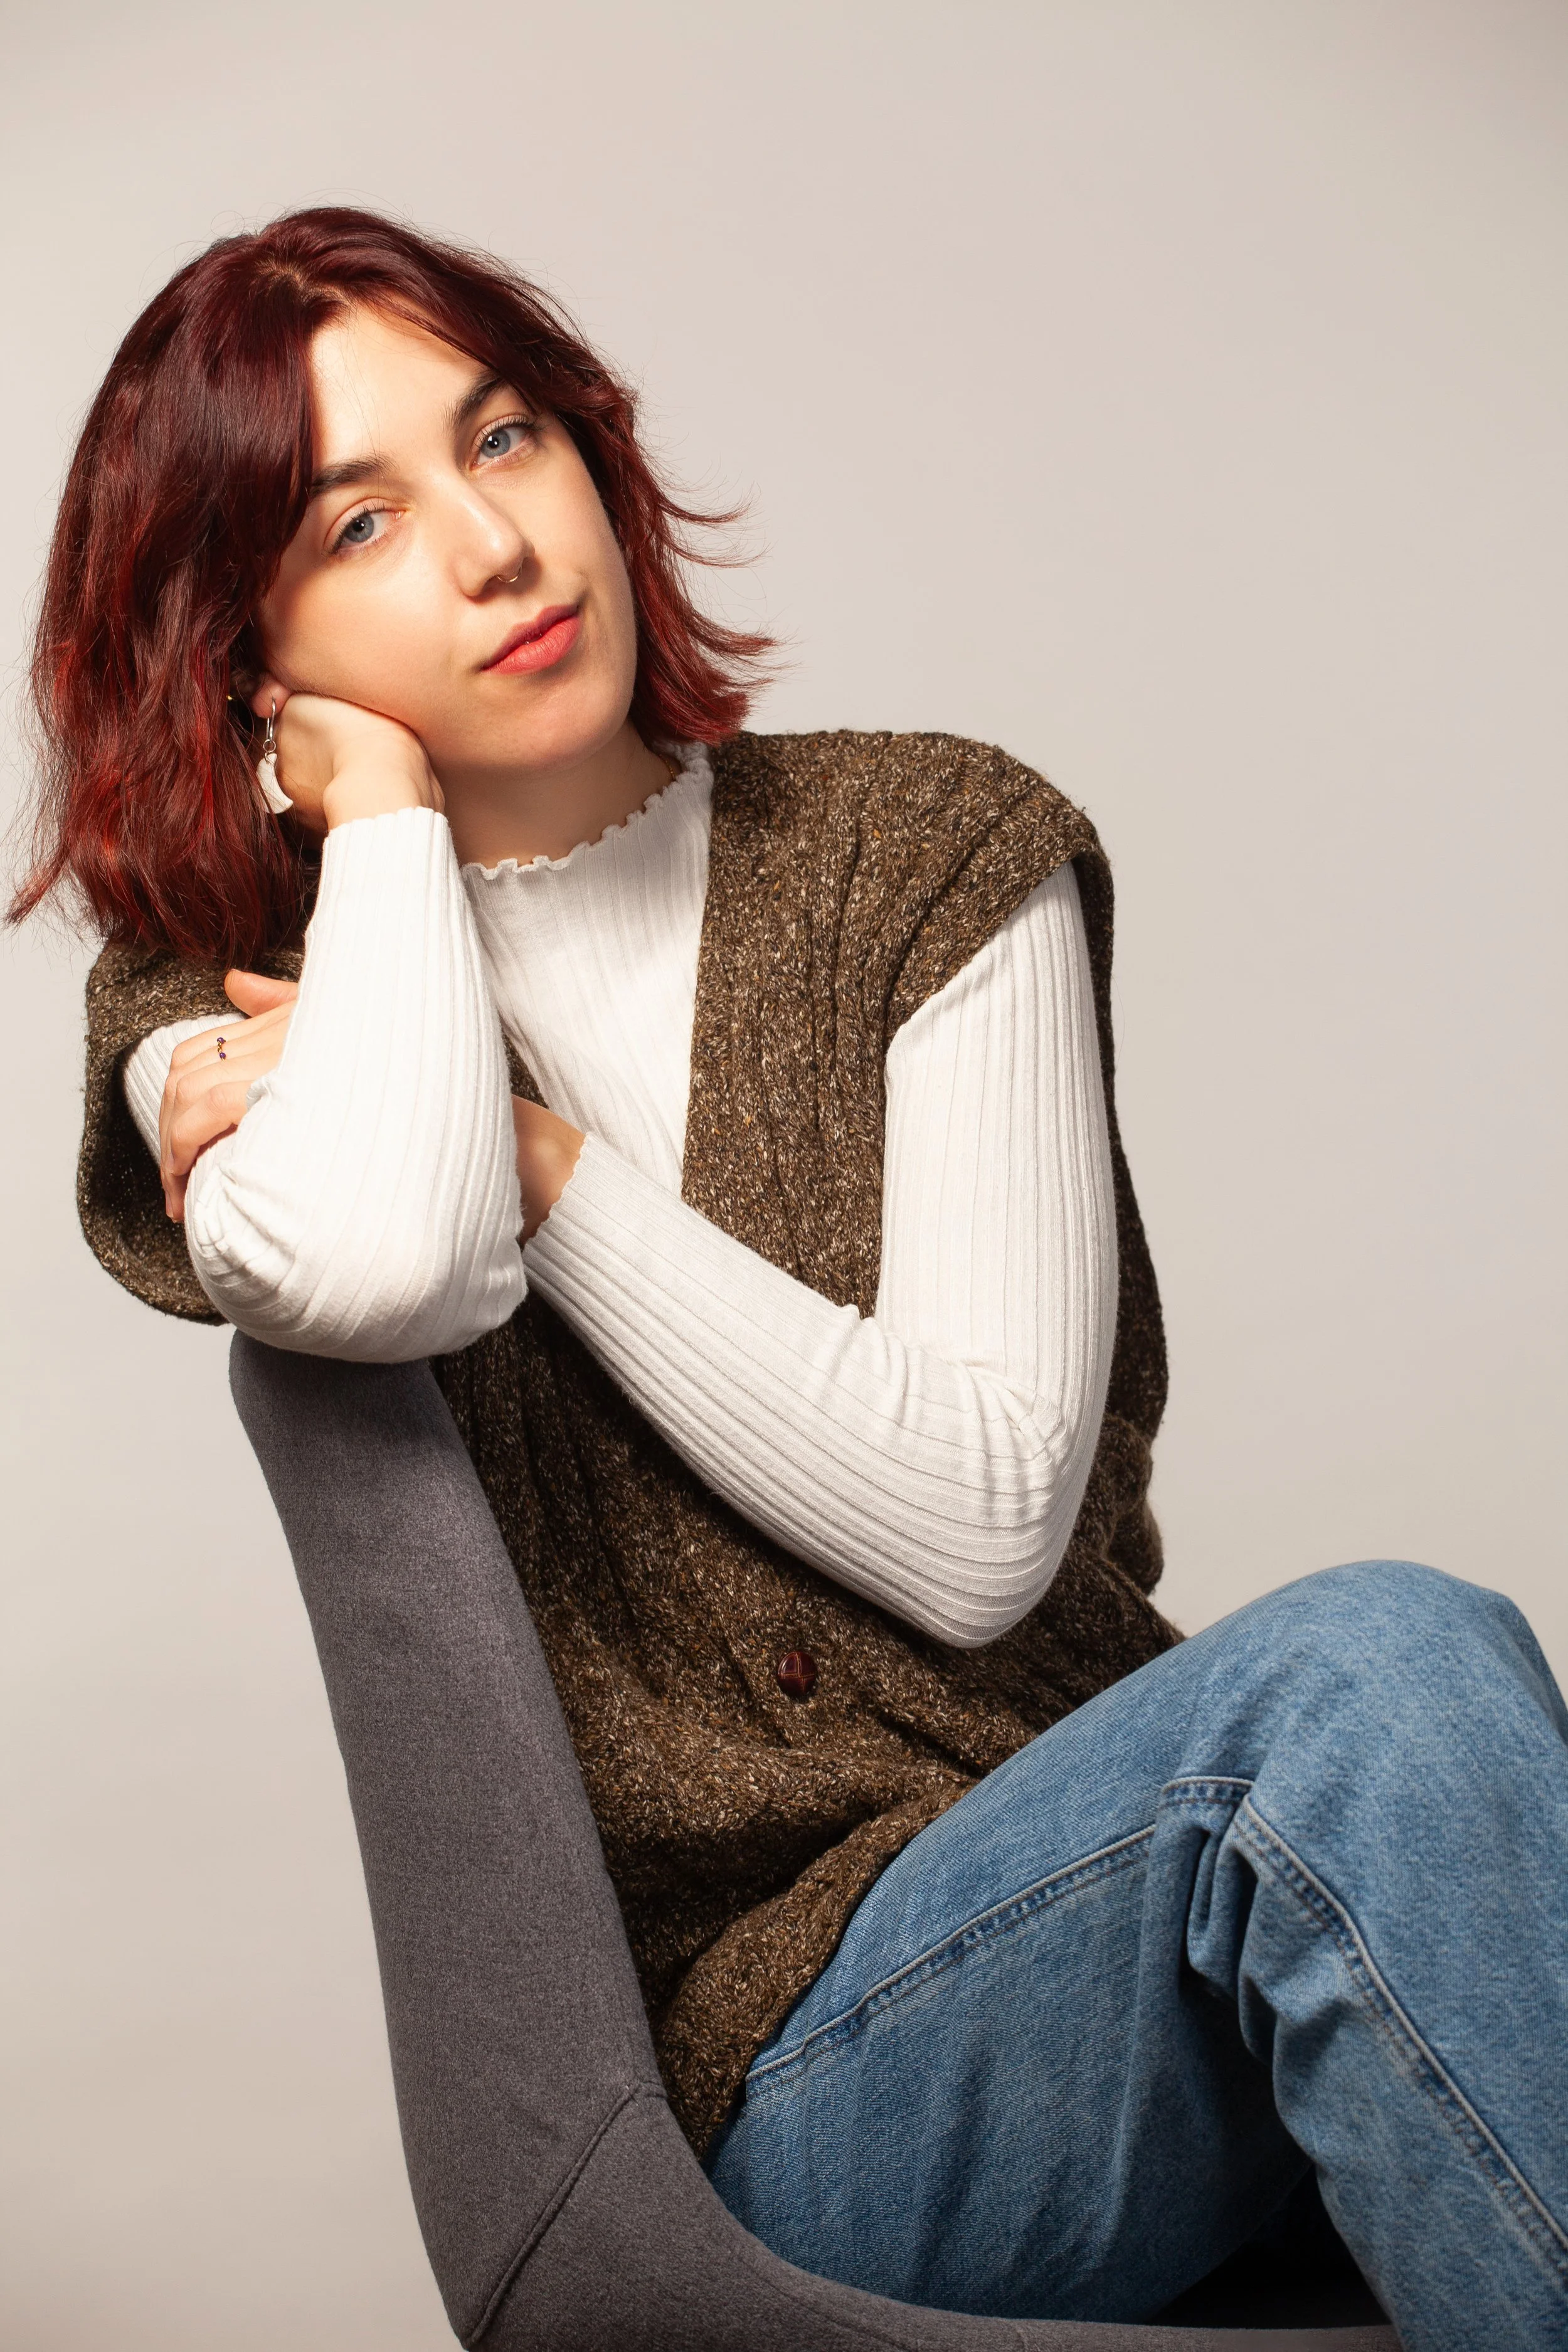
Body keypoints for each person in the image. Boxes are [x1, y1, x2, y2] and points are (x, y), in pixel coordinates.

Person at [11, 207, 1564, 2352]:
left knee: (1396, 1707)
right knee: (1381, 1675)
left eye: (510, 436)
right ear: (238, 652)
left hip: (1147, 1935)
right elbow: (382, 1249)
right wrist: (379, 847)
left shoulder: (925, 851)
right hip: (788, 2086)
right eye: (361, 519)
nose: (494, 542)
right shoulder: (217, 999)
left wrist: (550, 1158)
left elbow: (980, 1519)